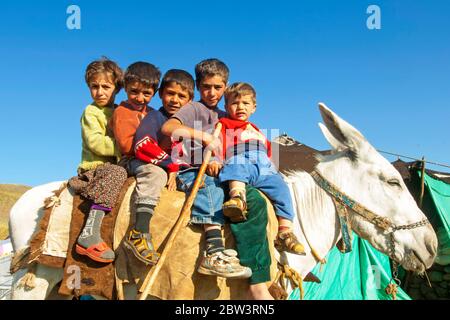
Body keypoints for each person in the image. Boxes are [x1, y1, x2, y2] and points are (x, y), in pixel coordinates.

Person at [162, 59, 273, 299]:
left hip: (224, 171)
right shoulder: (192, 109)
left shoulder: (229, 114)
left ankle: (257, 279)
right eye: (205, 87)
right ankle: (213, 252)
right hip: (194, 168)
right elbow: (169, 128)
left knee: (255, 201)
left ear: (226, 87)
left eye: (217, 87)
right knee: (209, 188)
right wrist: (201, 136)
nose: (211, 93)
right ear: (198, 87)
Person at [217, 82, 305, 255]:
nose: (240, 107)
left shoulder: (258, 130)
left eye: (245, 103)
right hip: (241, 158)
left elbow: (268, 152)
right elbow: (216, 142)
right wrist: (216, 158)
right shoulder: (225, 123)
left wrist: (272, 168)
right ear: (226, 107)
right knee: (236, 165)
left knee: (282, 188)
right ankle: (237, 198)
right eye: (234, 103)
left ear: (254, 108)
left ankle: (285, 230)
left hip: (264, 165)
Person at [125, 69, 194, 264]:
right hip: (146, 162)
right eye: (170, 93)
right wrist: (170, 166)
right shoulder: (156, 117)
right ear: (161, 93)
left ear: (190, 100)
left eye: (182, 96)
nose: (175, 100)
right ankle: (139, 232)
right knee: (154, 175)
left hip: (171, 167)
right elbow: (143, 144)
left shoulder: (189, 125)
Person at [68, 58, 128, 264]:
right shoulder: (91, 112)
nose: (100, 92)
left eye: (106, 87)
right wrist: (125, 146)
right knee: (117, 173)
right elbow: (95, 142)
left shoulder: (122, 111)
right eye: (95, 87)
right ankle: (89, 233)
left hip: (117, 165)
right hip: (96, 168)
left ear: (117, 88)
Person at [110, 61, 166, 265]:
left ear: (154, 92)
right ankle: (139, 231)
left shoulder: (152, 113)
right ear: (125, 87)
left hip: (150, 156)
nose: (139, 98)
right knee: (155, 174)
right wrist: (155, 153)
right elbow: (126, 146)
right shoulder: (122, 112)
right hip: (132, 160)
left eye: (146, 93)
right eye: (134, 91)